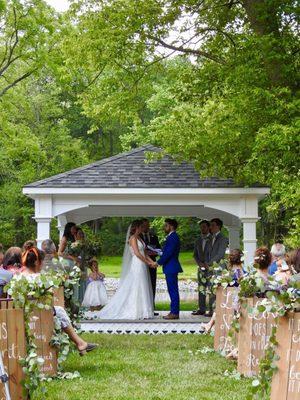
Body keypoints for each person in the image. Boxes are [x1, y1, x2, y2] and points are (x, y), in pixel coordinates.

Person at [21, 245, 97, 356]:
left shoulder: (18, 277)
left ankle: (80, 343)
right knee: (59, 311)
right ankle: (79, 343)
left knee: (58, 311)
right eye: (42, 263)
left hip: (21, 313)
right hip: (39, 314)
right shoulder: (39, 278)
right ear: (37, 262)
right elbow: (49, 298)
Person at [98, 220, 156, 320]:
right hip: (137, 263)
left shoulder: (140, 238)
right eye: (141, 227)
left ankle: (143, 310)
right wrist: (148, 263)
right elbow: (137, 254)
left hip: (142, 264)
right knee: (137, 285)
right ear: (136, 228)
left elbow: (145, 253)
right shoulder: (133, 238)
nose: (143, 229)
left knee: (143, 285)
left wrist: (152, 262)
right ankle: (135, 310)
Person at [202, 249, 246, 334]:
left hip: (232, 301)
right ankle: (209, 324)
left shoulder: (230, 274)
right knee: (220, 304)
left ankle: (210, 325)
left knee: (220, 304)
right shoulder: (242, 272)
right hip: (239, 300)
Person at [156, 219, 182, 320]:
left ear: (171, 226)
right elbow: (166, 252)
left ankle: (174, 312)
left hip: (171, 267)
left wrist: (158, 262)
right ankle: (174, 311)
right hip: (170, 266)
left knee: (173, 290)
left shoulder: (172, 237)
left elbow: (168, 253)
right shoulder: (172, 237)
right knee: (172, 289)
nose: (164, 227)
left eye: (166, 225)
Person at [204, 218, 229, 317]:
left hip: (218, 268)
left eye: (213, 225)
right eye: (210, 225)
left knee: (217, 289)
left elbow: (220, 254)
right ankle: (211, 310)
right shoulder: (210, 238)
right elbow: (207, 252)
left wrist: (209, 263)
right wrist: (206, 263)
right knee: (210, 288)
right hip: (210, 267)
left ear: (218, 226)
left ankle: (217, 311)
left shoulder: (223, 238)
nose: (210, 227)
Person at [140, 218, 161, 312]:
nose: (147, 227)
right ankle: (142, 307)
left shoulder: (154, 236)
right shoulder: (138, 236)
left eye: (148, 226)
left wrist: (154, 253)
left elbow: (159, 249)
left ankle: (151, 308)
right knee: (142, 285)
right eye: (145, 226)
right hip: (141, 264)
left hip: (152, 263)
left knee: (152, 284)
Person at [192, 220, 211, 316]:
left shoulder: (212, 239)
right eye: (201, 227)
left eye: (204, 226)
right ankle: (201, 308)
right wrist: (200, 264)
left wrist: (208, 264)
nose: (202, 229)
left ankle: (212, 310)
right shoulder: (198, 240)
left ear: (208, 227)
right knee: (201, 288)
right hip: (201, 267)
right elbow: (195, 255)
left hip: (211, 267)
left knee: (211, 288)